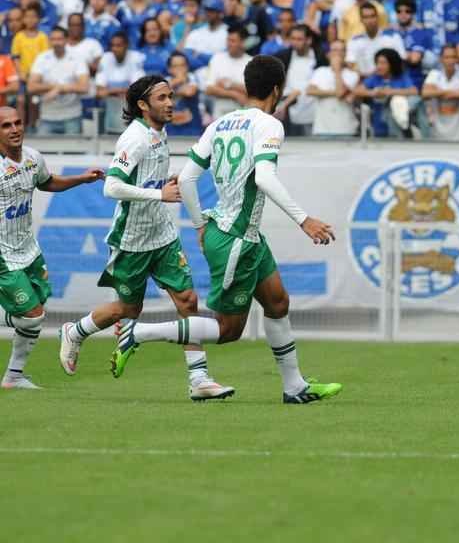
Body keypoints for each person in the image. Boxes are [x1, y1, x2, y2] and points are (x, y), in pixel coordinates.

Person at [108, 56, 343, 405]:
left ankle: (295, 387)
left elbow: (187, 178)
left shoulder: (221, 123)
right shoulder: (269, 125)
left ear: (247, 86)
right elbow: (263, 177)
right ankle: (137, 333)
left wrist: (200, 225)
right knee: (228, 331)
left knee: (277, 302)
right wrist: (303, 219)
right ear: (277, 90)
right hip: (235, 238)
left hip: (236, 232)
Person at [56, 76, 234, 401]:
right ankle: (74, 331)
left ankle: (199, 378)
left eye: (171, 96)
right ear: (143, 104)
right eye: (163, 98)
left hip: (162, 236)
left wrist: (163, 183)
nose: (170, 103)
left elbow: (147, 182)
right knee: (128, 309)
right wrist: (158, 194)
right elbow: (112, 186)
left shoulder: (160, 133)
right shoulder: (134, 138)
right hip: (132, 240)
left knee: (188, 301)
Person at [0, 107, 103, 390]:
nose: (14, 129)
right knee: (33, 316)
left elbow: (47, 183)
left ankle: (13, 376)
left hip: (29, 249)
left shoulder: (33, 158)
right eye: (6, 125)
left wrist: (81, 179)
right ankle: (13, 376)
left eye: (18, 122)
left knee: (37, 310)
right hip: (3, 256)